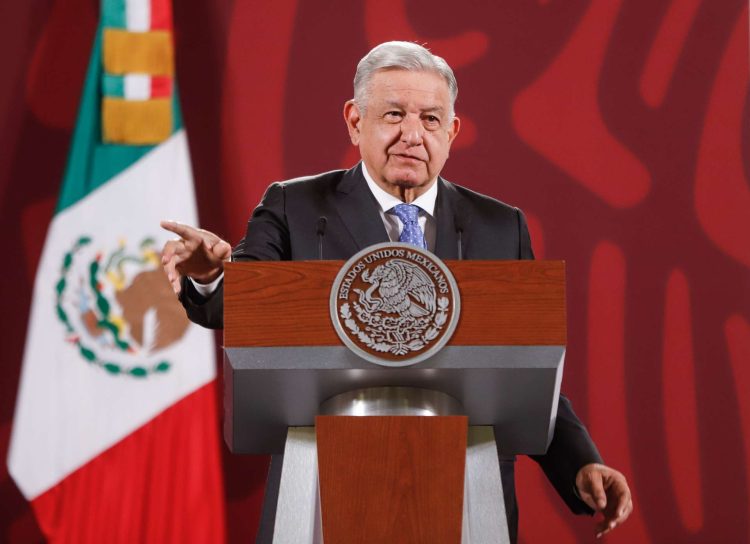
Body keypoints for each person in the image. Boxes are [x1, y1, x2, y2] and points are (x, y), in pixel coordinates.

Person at [161, 41, 632, 542]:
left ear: (451, 131)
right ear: (355, 120)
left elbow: (526, 363)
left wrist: (580, 464)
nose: (412, 134)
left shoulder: (501, 227)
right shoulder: (293, 207)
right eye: (394, 114)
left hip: (468, 492)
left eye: (430, 119)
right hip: (324, 487)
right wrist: (210, 275)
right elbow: (241, 304)